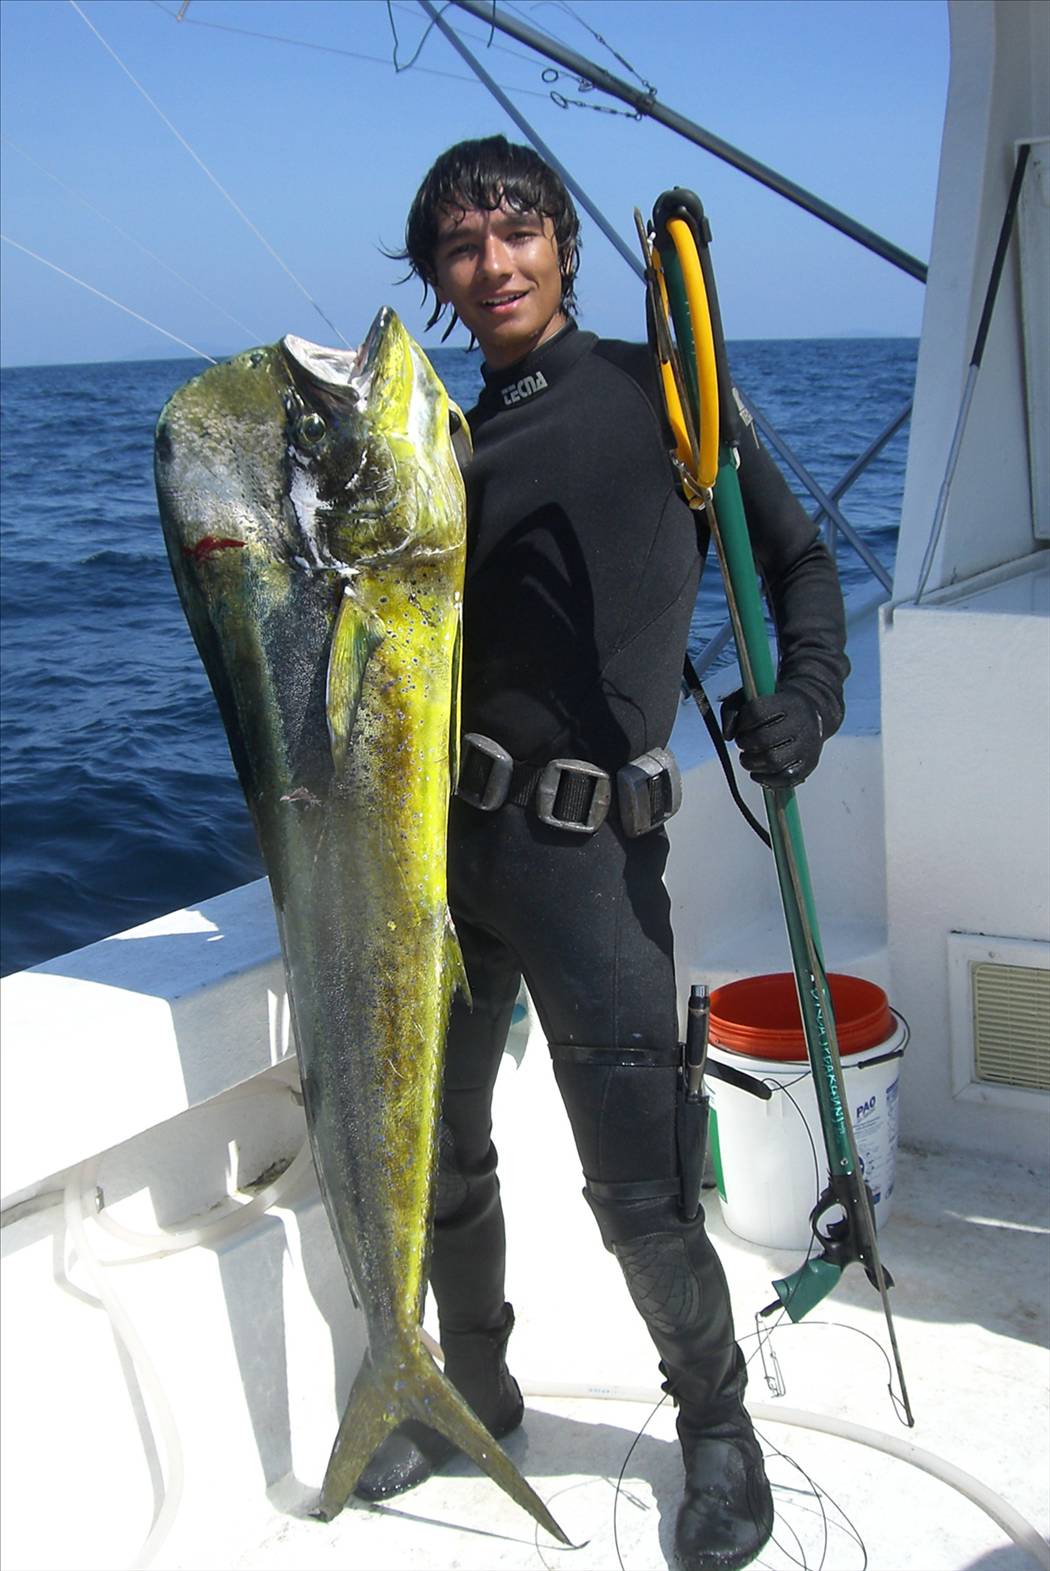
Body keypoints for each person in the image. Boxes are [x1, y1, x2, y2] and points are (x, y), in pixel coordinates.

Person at [355, 136, 849, 1571]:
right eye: (461, 246)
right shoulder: (436, 448)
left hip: (591, 860)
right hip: (446, 858)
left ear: (564, 246)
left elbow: (800, 562)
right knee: (443, 1162)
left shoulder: (665, 397)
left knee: (640, 1192)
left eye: (515, 233)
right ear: (437, 276)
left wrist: (808, 700)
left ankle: (717, 1430)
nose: (492, 264)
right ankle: (475, 1390)